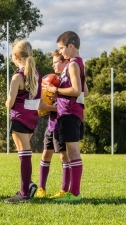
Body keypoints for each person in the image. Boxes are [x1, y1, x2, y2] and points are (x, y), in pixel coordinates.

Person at [44, 31, 86, 202]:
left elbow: (76, 91)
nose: (60, 52)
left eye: (61, 48)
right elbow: (85, 91)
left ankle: (74, 194)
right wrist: (59, 96)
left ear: (71, 46)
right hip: (70, 112)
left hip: (69, 113)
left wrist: (56, 90)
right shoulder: (78, 63)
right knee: (70, 152)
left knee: (73, 152)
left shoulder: (72, 65)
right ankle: (71, 192)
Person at [4, 40, 42, 204]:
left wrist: (6, 102)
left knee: (24, 155)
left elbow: (10, 103)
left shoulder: (17, 77)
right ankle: (28, 185)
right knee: (25, 153)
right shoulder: (36, 73)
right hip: (32, 118)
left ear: (15, 56)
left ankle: (24, 193)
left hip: (19, 118)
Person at [35, 50, 70, 199]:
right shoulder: (51, 80)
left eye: (56, 62)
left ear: (64, 63)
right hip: (51, 124)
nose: (53, 64)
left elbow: (66, 106)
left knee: (64, 156)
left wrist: (47, 107)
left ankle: (64, 190)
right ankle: (41, 188)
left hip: (62, 124)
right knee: (46, 154)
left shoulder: (67, 83)